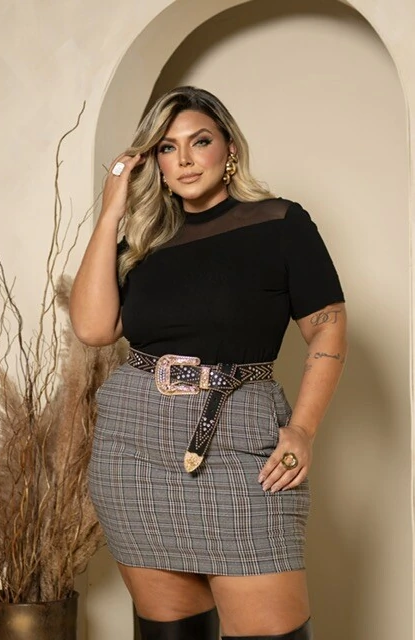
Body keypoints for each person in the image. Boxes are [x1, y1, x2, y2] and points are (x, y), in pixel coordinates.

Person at [70, 86, 347, 640]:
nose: (186, 159)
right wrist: (112, 211)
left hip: (242, 436)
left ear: (229, 149)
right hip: (134, 445)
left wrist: (302, 430)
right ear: (155, 161)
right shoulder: (144, 240)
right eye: (168, 148)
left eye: (200, 142)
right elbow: (94, 329)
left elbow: (327, 327)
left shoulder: (281, 223)